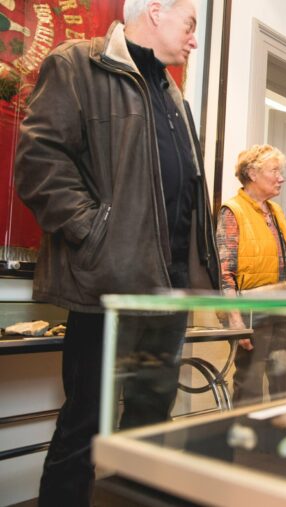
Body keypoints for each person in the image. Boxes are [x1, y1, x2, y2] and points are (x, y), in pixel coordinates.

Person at [13, 1, 219, 505]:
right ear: (155, 12)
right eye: (190, 25)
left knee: (150, 427)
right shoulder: (75, 63)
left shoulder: (174, 94)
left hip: (166, 293)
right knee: (85, 425)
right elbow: (39, 162)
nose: (194, 40)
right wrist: (95, 233)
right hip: (107, 288)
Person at [217, 144, 286, 405]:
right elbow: (224, 273)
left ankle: (279, 439)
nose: (281, 177)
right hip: (250, 309)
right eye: (274, 171)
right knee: (250, 384)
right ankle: (246, 442)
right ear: (252, 174)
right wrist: (235, 320)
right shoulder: (232, 211)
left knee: (285, 378)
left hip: (281, 303)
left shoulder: (275, 211)